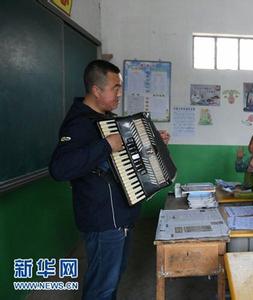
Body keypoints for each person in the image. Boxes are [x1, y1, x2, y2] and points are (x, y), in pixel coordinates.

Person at [49, 59, 169, 300]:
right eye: (115, 87)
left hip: (121, 217)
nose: (119, 93)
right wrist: (105, 145)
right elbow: (59, 168)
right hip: (103, 220)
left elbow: (123, 160)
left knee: (111, 280)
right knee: (101, 287)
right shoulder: (78, 124)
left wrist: (153, 142)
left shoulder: (107, 119)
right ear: (96, 90)